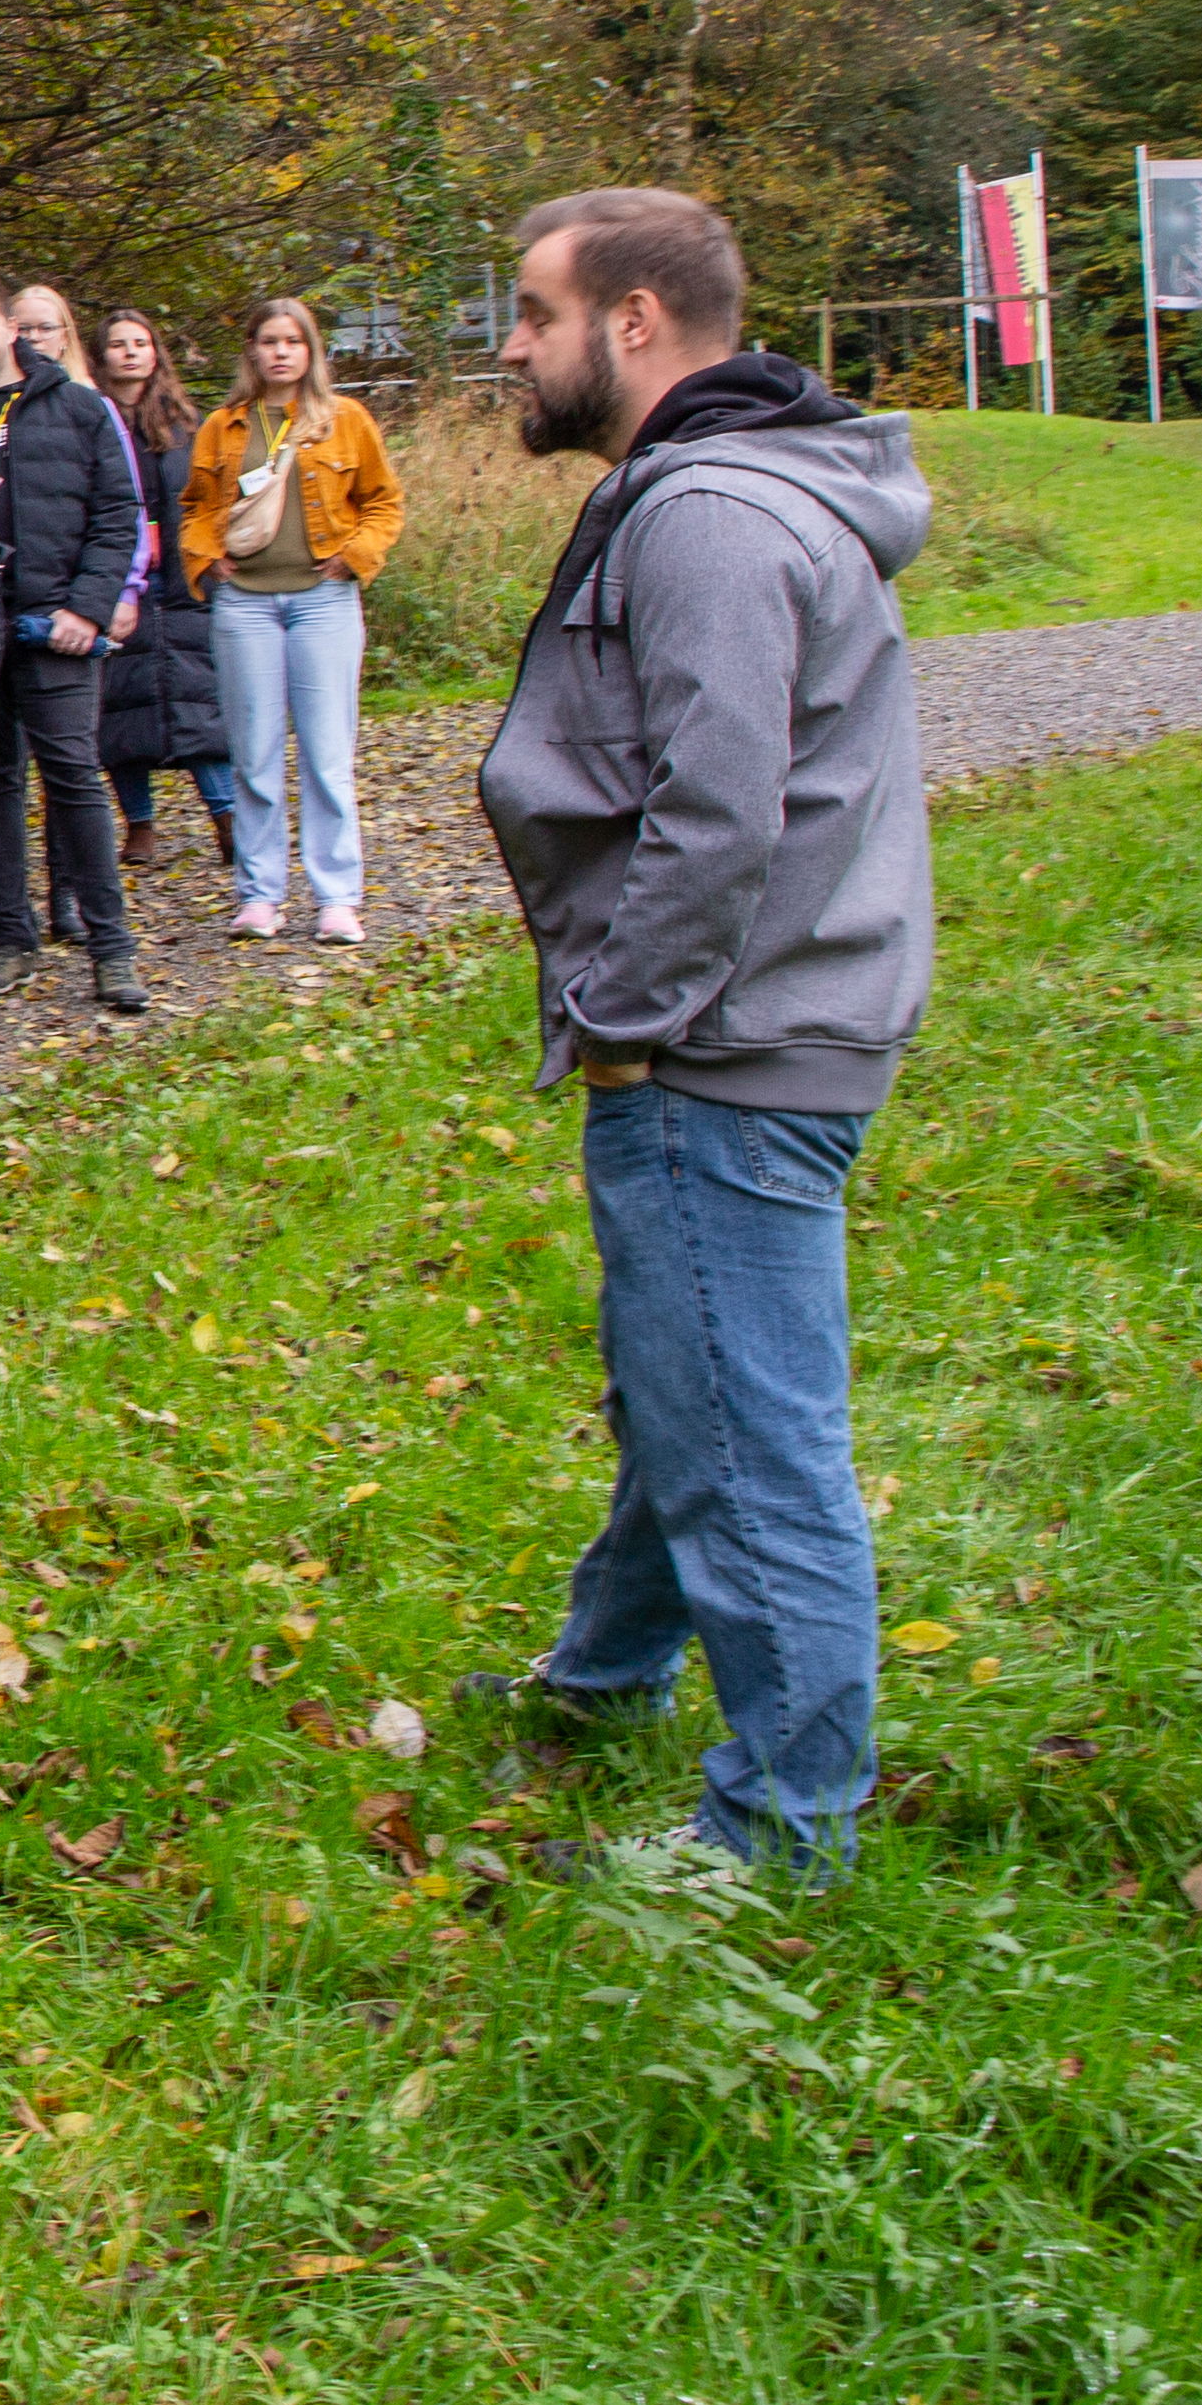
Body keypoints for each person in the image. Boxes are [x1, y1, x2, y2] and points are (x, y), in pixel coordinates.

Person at [471, 188, 930, 1874]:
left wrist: (625, 1023)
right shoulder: (749, 486)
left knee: (747, 1433)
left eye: (534, 313)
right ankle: (605, 1679)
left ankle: (783, 1832)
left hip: (728, 1045)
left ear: (637, 323)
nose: (512, 346)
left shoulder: (710, 521)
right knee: (696, 1380)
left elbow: (718, 813)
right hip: (767, 1018)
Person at [0, 274, 150, 1018]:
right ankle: (9, 935)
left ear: (12, 328)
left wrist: (88, 608)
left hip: (56, 629)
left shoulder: (77, 408)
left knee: (75, 779)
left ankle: (112, 947)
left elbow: (118, 515)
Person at [184, 294, 407, 944]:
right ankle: (259, 895)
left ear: (311, 351)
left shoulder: (346, 419)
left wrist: (357, 556)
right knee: (253, 756)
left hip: (323, 602)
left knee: (326, 753)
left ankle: (337, 897)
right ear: (250, 350)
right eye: (268, 341)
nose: (280, 352)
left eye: (293, 341)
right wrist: (205, 558)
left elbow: (383, 502)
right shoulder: (223, 425)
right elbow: (196, 504)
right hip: (245, 605)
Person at [84, 307, 234, 871]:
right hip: (118, 583)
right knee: (118, 709)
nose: (129, 353)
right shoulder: (87, 419)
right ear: (100, 357)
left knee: (200, 703)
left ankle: (226, 816)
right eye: (117, 344)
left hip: (182, 582)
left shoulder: (185, 426)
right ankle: (139, 825)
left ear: (155, 353)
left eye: (140, 343)